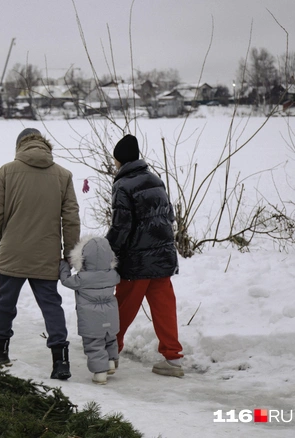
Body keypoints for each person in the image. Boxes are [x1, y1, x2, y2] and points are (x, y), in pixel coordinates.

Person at [0, 128, 80, 380]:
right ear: (45, 146)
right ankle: (60, 361)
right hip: (46, 254)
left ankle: (1, 349)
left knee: (5, 302)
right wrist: (70, 254)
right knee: (51, 305)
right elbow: (70, 219)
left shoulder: (6, 171)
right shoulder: (63, 175)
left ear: (20, 146)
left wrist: (5, 237)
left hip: (13, 251)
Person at [105, 134, 184, 377]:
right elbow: (168, 217)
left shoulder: (122, 185)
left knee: (122, 307)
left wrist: (107, 251)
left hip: (137, 262)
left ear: (119, 160)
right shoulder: (155, 180)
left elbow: (122, 226)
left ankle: (108, 355)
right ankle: (173, 359)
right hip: (162, 257)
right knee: (164, 307)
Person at [59, 236, 120, 385]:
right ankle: (111, 363)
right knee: (110, 339)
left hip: (91, 319)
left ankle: (100, 374)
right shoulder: (113, 275)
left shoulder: (81, 278)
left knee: (94, 344)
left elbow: (66, 280)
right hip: (110, 316)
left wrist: (64, 266)